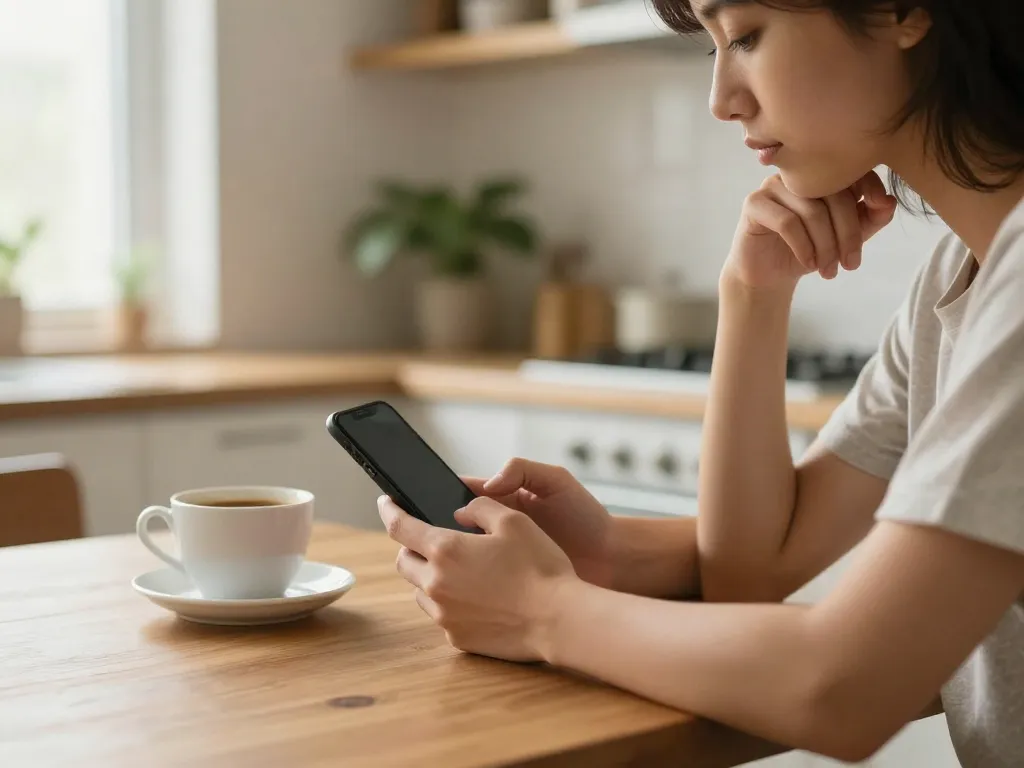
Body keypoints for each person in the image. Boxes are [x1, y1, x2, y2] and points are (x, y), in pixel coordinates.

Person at [377, 1, 1024, 765]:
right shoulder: (958, 278)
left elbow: (843, 688)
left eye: (746, 35)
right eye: (712, 48)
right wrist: (752, 294)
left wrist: (541, 611)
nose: (721, 99)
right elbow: (751, 569)